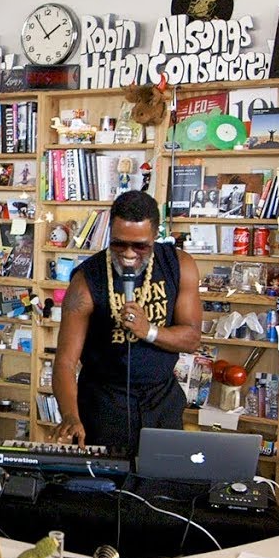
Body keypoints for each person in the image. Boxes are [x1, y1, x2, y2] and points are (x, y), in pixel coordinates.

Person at [50, 191, 202, 452]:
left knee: (162, 486)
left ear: (155, 236)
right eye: (119, 244)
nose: (128, 254)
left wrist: (149, 331)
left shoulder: (180, 265)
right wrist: (70, 416)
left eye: (140, 245)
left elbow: (191, 339)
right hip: (103, 403)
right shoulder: (86, 281)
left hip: (161, 400)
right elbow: (64, 361)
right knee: (106, 486)